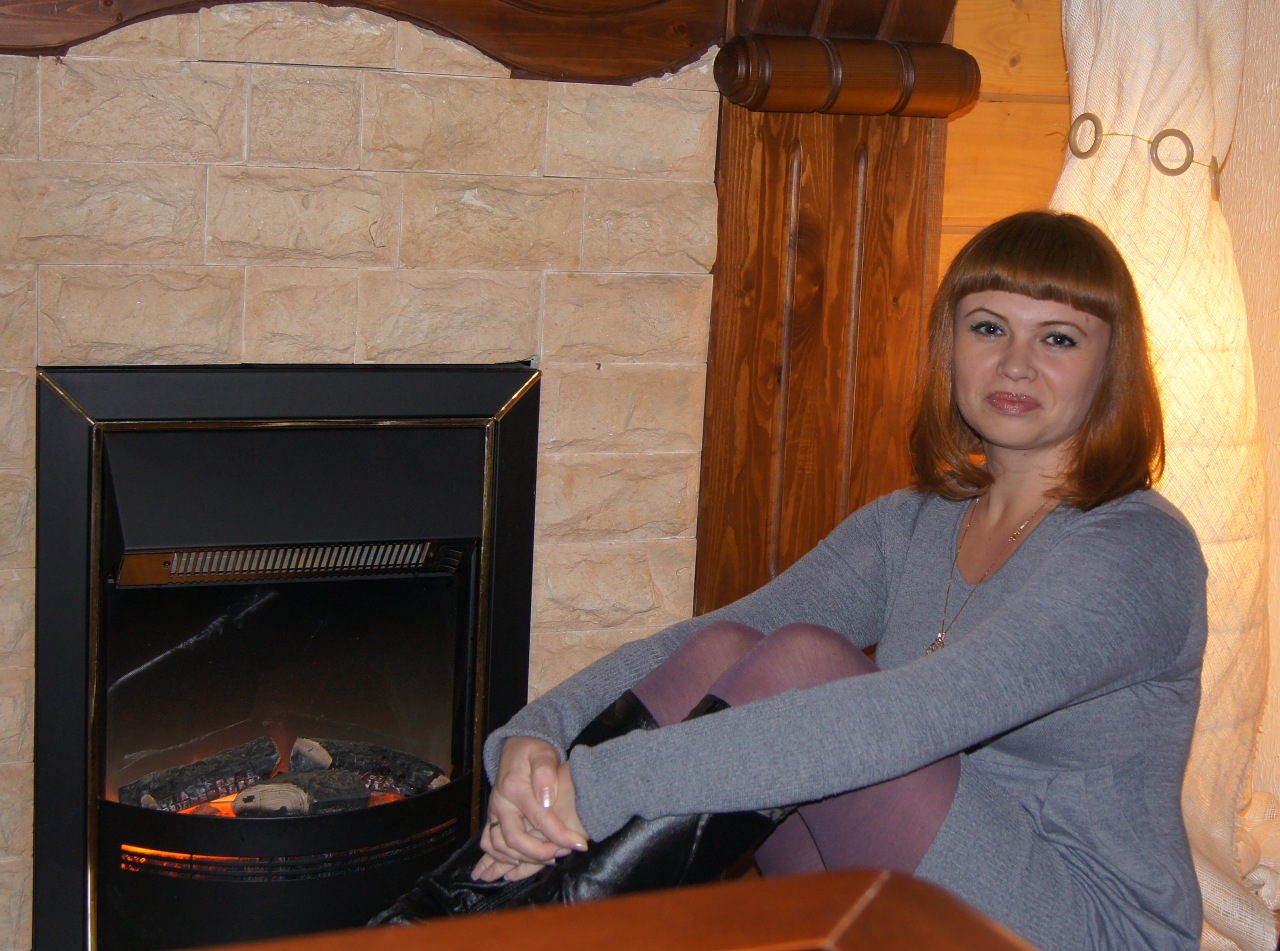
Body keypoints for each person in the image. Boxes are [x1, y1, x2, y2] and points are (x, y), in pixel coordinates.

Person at [377, 210, 1207, 951]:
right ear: (950, 346)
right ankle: (434, 926)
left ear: (1110, 365)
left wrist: (591, 789)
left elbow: (911, 717)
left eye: (1058, 338)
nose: (1016, 363)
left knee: (806, 663)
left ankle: (492, 933)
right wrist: (539, 735)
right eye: (988, 327)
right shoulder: (914, 523)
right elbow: (706, 640)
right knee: (733, 646)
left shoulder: (1137, 551)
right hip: (915, 881)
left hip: (1078, 921)